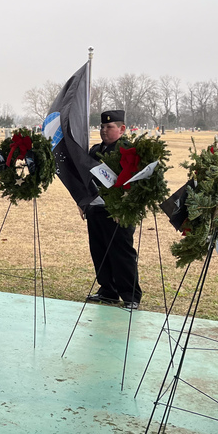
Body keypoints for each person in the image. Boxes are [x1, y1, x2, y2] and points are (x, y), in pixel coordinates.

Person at [83, 109, 141, 310]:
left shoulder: (128, 150)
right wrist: (83, 203)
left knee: (121, 253)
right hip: (96, 209)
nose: (104, 131)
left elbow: (135, 182)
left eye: (109, 127)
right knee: (99, 250)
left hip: (118, 212)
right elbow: (87, 180)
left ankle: (130, 295)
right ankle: (108, 291)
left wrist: (124, 209)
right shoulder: (95, 151)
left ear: (122, 129)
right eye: (102, 127)